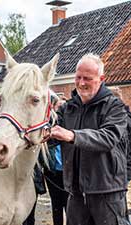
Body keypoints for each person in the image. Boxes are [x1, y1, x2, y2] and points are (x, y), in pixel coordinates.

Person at [43, 53, 130, 225]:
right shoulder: (68, 108)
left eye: (88, 78)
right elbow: (49, 137)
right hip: (75, 194)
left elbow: (108, 137)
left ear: (101, 79)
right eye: (78, 77)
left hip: (107, 194)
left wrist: (72, 135)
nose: (81, 83)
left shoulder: (115, 107)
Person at [44, 96, 68, 225]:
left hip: (67, 171)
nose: (61, 109)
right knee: (56, 204)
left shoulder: (69, 127)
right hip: (53, 172)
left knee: (69, 203)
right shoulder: (49, 126)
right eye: (59, 106)